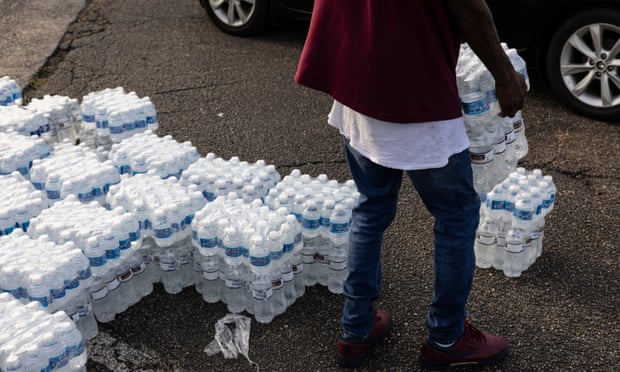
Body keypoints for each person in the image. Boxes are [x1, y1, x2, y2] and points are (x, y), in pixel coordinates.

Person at [294, 0, 527, 369]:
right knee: (457, 216)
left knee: (370, 207)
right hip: (416, 88)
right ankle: (446, 337)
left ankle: (355, 329)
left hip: (357, 75)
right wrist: (504, 74)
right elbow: (469, 8)